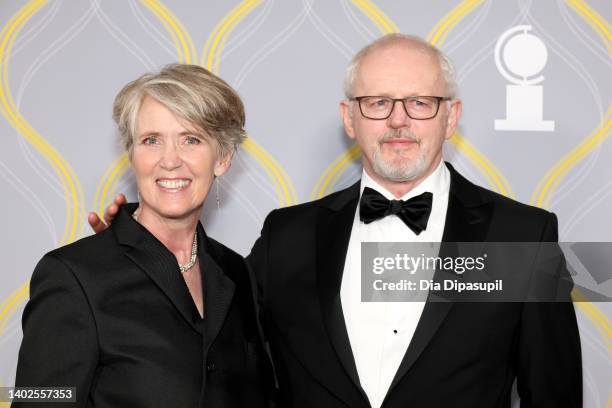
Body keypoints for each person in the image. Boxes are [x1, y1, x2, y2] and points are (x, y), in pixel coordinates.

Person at [91, 34, 582, 407]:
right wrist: (142, 249)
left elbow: (553, 392)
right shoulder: (289, 235)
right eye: (377, 103)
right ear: (350, 118)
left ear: (450, 117)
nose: (398, 120)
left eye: (420, 102)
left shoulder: (522, 234)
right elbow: (209, 327)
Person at [15, 64, 272, 407]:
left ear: (223, 157)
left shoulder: (237, 273)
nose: (169, 161)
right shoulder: (74, 276)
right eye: (151, 140)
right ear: (132, 154)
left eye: (190, 139)